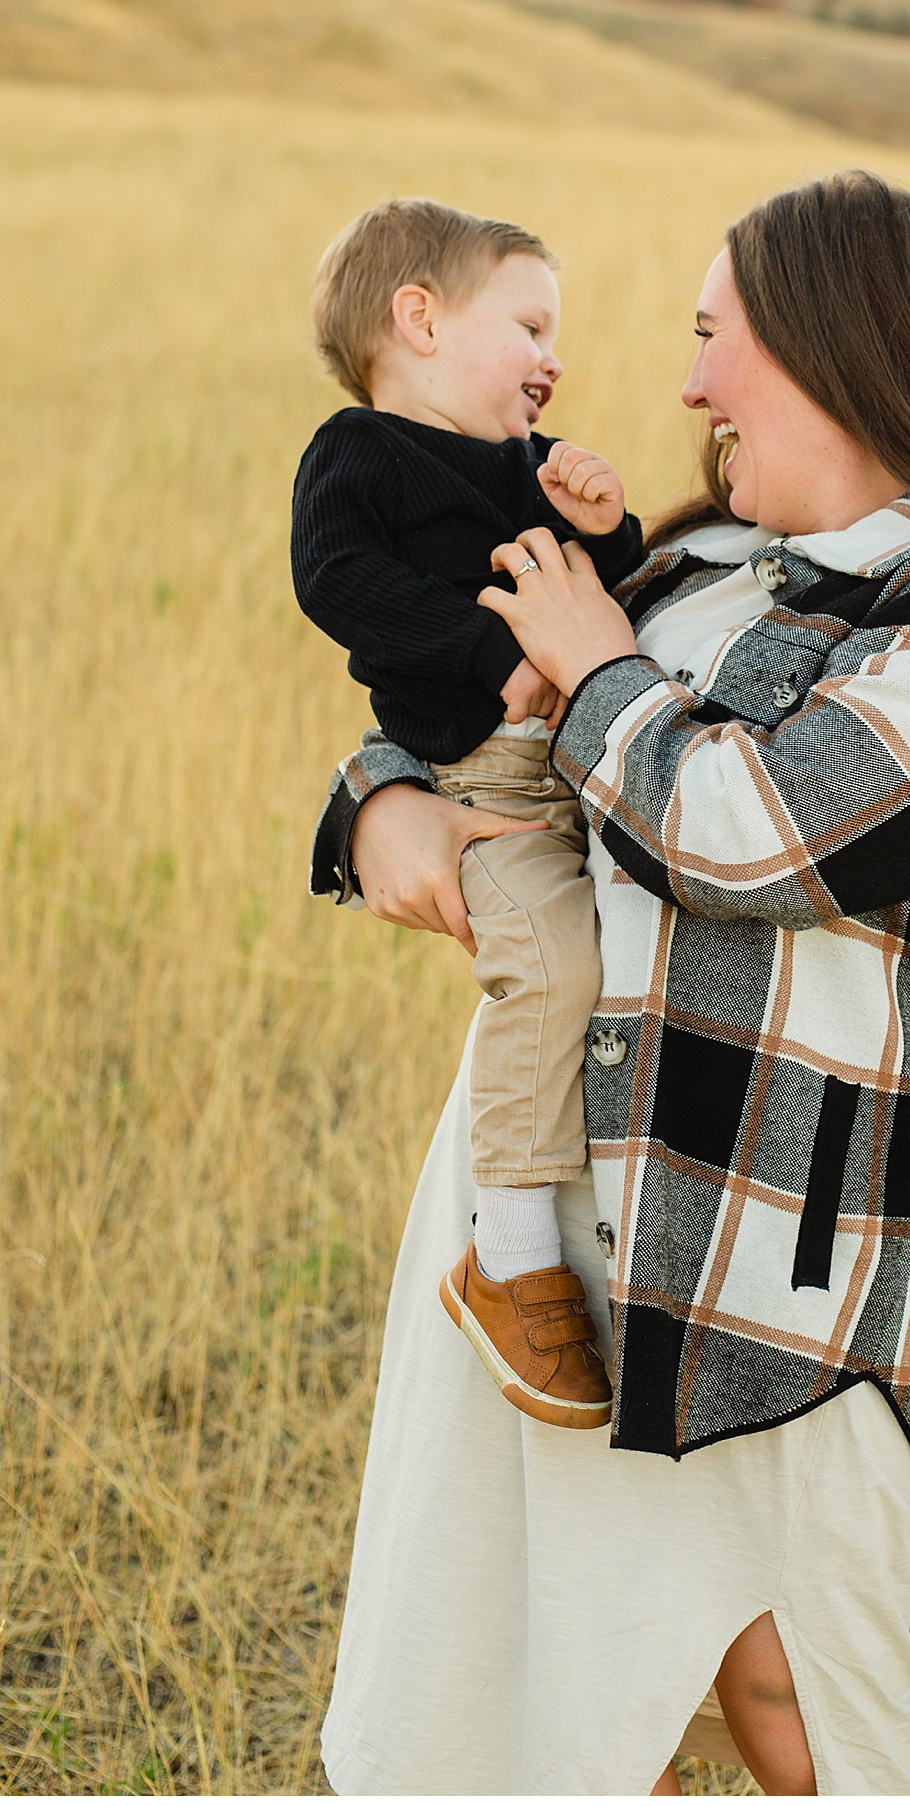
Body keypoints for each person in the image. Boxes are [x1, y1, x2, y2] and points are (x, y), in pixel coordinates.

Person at [316, 171, 910, 1796]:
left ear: (836, 345)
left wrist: (598, 667)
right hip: (551, 1241)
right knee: (565, 1698)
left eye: (713, 338)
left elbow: (751, 831)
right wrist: (377, 794)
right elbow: (487, 717)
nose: (683, 385)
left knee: (801, 1702)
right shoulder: (708, 562)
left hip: (786, 1267)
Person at [293, 195, 645, 1429]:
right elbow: (334, 577)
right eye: (531, 323)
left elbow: (603, 596)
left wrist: (605, 522)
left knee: (586, 955)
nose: (555, 357)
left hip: (562, 781)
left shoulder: (521, 471)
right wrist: (484, 653)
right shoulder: (359, 451)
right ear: (420, 319)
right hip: (477, 785)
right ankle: (508, 1250)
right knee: (547, 967)